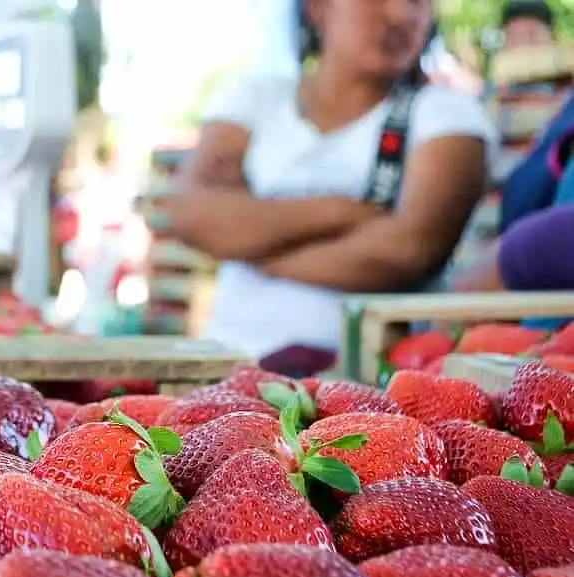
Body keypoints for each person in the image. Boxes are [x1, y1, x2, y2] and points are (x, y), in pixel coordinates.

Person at [149, 0, 493, 373]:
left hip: (364, 386)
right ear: (317, 7)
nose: (399, 15)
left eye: (417, 2)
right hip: (225, 368)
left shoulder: (448, 114)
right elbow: (189, 214)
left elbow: (406, 253)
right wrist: (346, 212)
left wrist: (243, 239)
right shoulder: (252, 97)